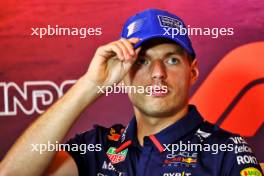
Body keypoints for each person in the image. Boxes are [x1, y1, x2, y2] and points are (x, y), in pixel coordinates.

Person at [0, 9, 263, 176]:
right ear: (123, 76)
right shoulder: (99, 146)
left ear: (192, 71)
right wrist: (89, 86)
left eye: (171, 60)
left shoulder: (225, 151)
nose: (158, 72)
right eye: (142, 61)